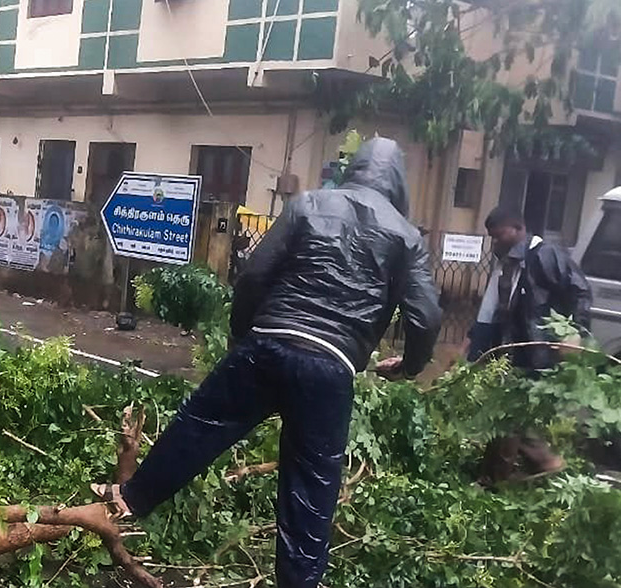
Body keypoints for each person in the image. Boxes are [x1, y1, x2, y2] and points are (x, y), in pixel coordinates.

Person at [93, 138, 442, 588]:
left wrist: (242, 336)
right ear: (398, 181)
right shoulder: (405, 235)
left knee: (201, 423)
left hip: (269, 344)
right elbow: (426, 316)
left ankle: (133, 498)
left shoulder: (310, 203)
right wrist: (411, 365)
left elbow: (255, 273)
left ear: (355, 168)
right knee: (312, 489)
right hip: (331, 368)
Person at [468, 206, 593, 480]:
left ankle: (540, 464)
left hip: (537, 355)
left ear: (518, 229)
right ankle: (496, 477)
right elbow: (491, 312)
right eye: (492, 238)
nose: (495, 243)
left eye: (499, 236)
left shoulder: (544, 256)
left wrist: (576, 331)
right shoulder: (507, 265)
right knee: (502, 414)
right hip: (511, 356)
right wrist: (474, 352)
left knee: (512, 417)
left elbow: (580, 290)